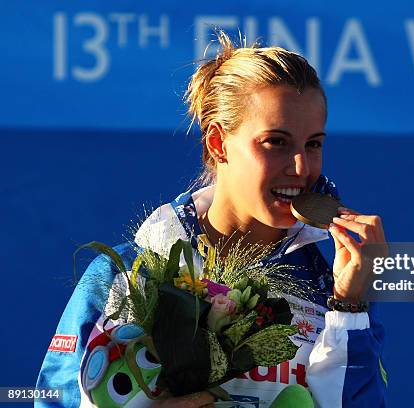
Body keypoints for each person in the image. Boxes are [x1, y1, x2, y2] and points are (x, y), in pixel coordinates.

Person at [36, 31, 388, 407]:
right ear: (218, 144)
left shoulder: (332, 279)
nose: (301, 167)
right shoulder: (127, 272)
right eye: (276, 142)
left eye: (313, 144)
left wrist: (349, 307)